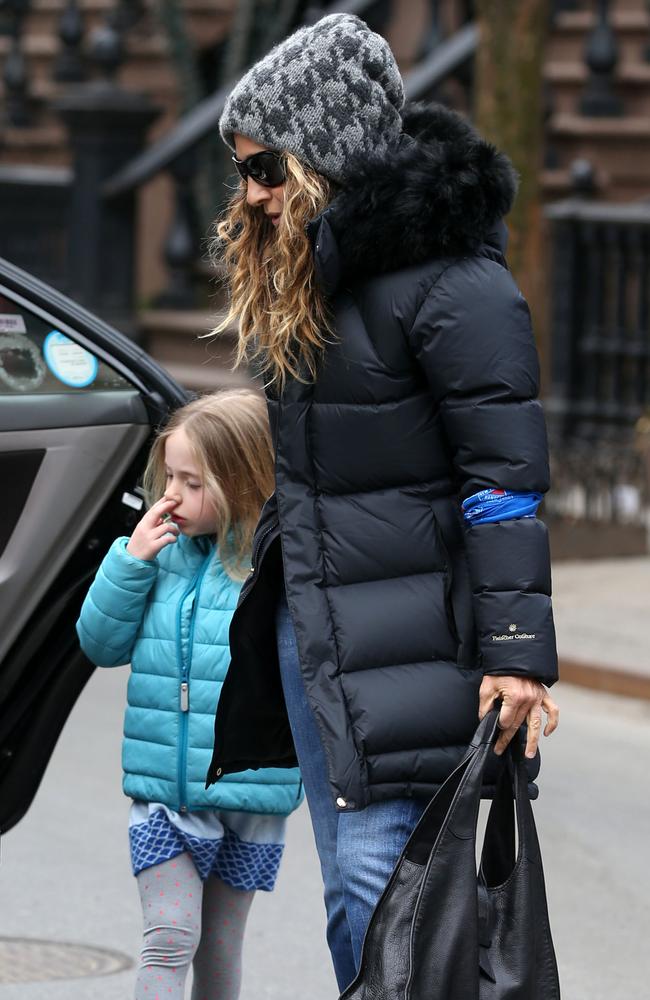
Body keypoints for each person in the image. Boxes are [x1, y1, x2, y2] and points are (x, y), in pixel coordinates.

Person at [205, 13, 560, 993]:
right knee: (357, 904)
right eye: (242, 170)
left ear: (327, 153)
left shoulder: (454, 285)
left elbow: (502, 483)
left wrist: (517, 655)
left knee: (385, 900)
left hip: (417, 644)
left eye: (268, 167)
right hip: (319, 641)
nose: (253, 194)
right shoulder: (313, 279)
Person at [76, 390, 302, 1000]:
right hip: (168, 798)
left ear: (244, 481)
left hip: (252, 797)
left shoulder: (279, 565)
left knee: (221, 947)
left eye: (192, 482)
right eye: (167, 476)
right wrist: (129, 561)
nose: (170, 495)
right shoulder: (158, 556)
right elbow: (99, 643)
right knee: (171, 935)